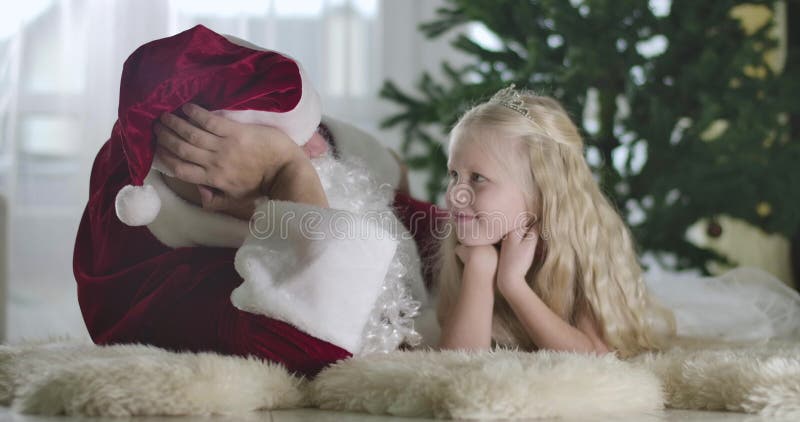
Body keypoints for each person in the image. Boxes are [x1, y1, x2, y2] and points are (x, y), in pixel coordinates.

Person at [73, 25, 435, 379]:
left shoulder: (326, 158)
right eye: (264, 156)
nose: (313, 154)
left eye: (307, 145)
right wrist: (286, 173)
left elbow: (435, 230)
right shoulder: (159, 270)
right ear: (203, 182)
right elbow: (307, 349)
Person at [434, 85, 800, 357]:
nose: (455, 194)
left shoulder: (580, 244)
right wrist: (481, 270)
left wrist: (514, 284)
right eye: (453, 174)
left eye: (477, 178)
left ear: (540, 189)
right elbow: (456, 364)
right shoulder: (470, 246)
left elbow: (594, 357)